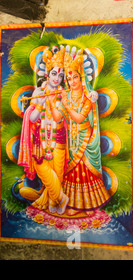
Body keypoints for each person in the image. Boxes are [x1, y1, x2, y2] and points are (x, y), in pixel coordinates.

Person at [49, 49, 111, 216]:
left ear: (81, 77)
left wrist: (66, 104)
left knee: (85, 170)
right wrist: (51, 102)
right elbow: (57, 118)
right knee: (73, 172)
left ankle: (89, 205)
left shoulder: (88, 97)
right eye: (69, 79)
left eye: (75, 77)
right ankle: (75, 205)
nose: (72, 81)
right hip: (72, 140)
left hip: (86, 138)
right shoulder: (66, 97)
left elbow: (78, 118)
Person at [18, 47, 69, 215]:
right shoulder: (38, 92)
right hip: (40, 142)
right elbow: (32, 119)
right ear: (47, 75)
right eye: (54, 74)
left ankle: (53, 200)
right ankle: (61, 198)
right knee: (43, 170)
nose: (57, 78)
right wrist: (41, 102)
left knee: (58, 175)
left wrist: (54, 101)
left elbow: (58, 118)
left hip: (58, 140)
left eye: (60, 75)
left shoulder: (63, 94)